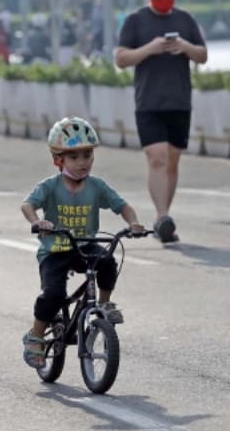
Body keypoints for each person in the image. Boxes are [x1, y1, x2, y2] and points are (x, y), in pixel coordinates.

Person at [20, 117, 144, 368]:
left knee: (108, 261)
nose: (82, 163)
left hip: (84, 246)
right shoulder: (50, 186)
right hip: (55, 250)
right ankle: (35, 335)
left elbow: (123, 206)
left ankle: (104, 303)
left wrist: (133, 224)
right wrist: (37, 221)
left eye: (87, 156)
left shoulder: (96, 186)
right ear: (59, 160)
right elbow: (27, 204)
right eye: (74, 157)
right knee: (53, 294)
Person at [115, 0, 207, 244]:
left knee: (172, 162)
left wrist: (185, 47)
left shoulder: (185, 20)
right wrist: (150, 49)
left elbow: (203, 54)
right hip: (149, 103)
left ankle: (163, 217)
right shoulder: (136, 21)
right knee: (157, 158)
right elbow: (120, 58)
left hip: (179, 101)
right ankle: (162, 216)